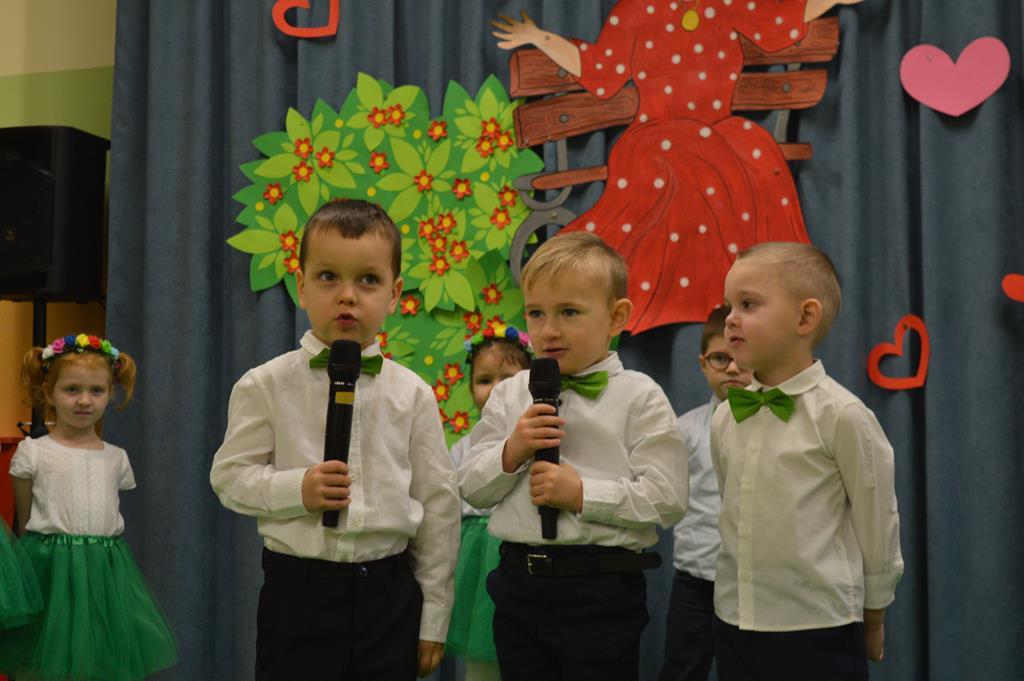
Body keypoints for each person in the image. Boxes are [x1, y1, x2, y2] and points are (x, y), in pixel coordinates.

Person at [492, 0, 862, 333]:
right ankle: (688, 299)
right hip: (652, 140)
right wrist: (539, 37)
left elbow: (776, 23)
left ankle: (766, 294)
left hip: (717, 129)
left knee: (758, 154)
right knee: (696, 158)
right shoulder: (636, 10)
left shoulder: (726, 4)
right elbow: (600, 71)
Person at [210, 199, 460, 681]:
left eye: (367, 280)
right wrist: (296, 489)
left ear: (394, 294)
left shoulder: (413, 394)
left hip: (389, 594)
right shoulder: (265, 384)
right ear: (301, 286)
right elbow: (229, 477)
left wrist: (433, 616)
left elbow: (438, 507)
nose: (347, 296)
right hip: (298, 594)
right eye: (328, 277)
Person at [458, 231, 687, 681]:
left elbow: (668, 498)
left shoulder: (641, 397)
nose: (549, 330)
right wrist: (511, 451)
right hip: (518, 583)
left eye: (569, 312)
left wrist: (583, 494)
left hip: (601, 590)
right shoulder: (509, 395)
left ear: (616, 317)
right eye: (536, 313)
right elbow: (470, 488)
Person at [711, 242, 904, 681]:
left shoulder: (843, 415)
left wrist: (874, 612)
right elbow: (732, 505)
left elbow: (877, 520)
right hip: (735, 620)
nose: (730, 319)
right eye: (728, 306)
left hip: (818, 625)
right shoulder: (725, 417)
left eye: (748, 304)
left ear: (805, 318)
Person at [0, 333, 178, 681]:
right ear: (48, 392)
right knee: (46, 660)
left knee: (100, 659)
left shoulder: (116, 458)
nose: (84, 400)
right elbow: (24, 520)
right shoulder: (33, 453)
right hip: (49, 569)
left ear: (110, 393)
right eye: (72, 389)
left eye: (96, 390)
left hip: (105, 573)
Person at [660, 305, 751, 681]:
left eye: (741, 358)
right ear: (702, 364)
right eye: (720, 358)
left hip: (755, 580)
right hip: (696, 579)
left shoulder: (779, 426)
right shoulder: (684, 430)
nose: (732, 368)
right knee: (682, 669)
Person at [447, 325, 532, 681]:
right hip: (473, 562)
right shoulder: (461, 448)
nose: (496, 388)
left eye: (507, 378)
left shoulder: (538, 438)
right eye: (484, 380)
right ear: (470, 389)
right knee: (480, 663)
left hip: (516, 553)